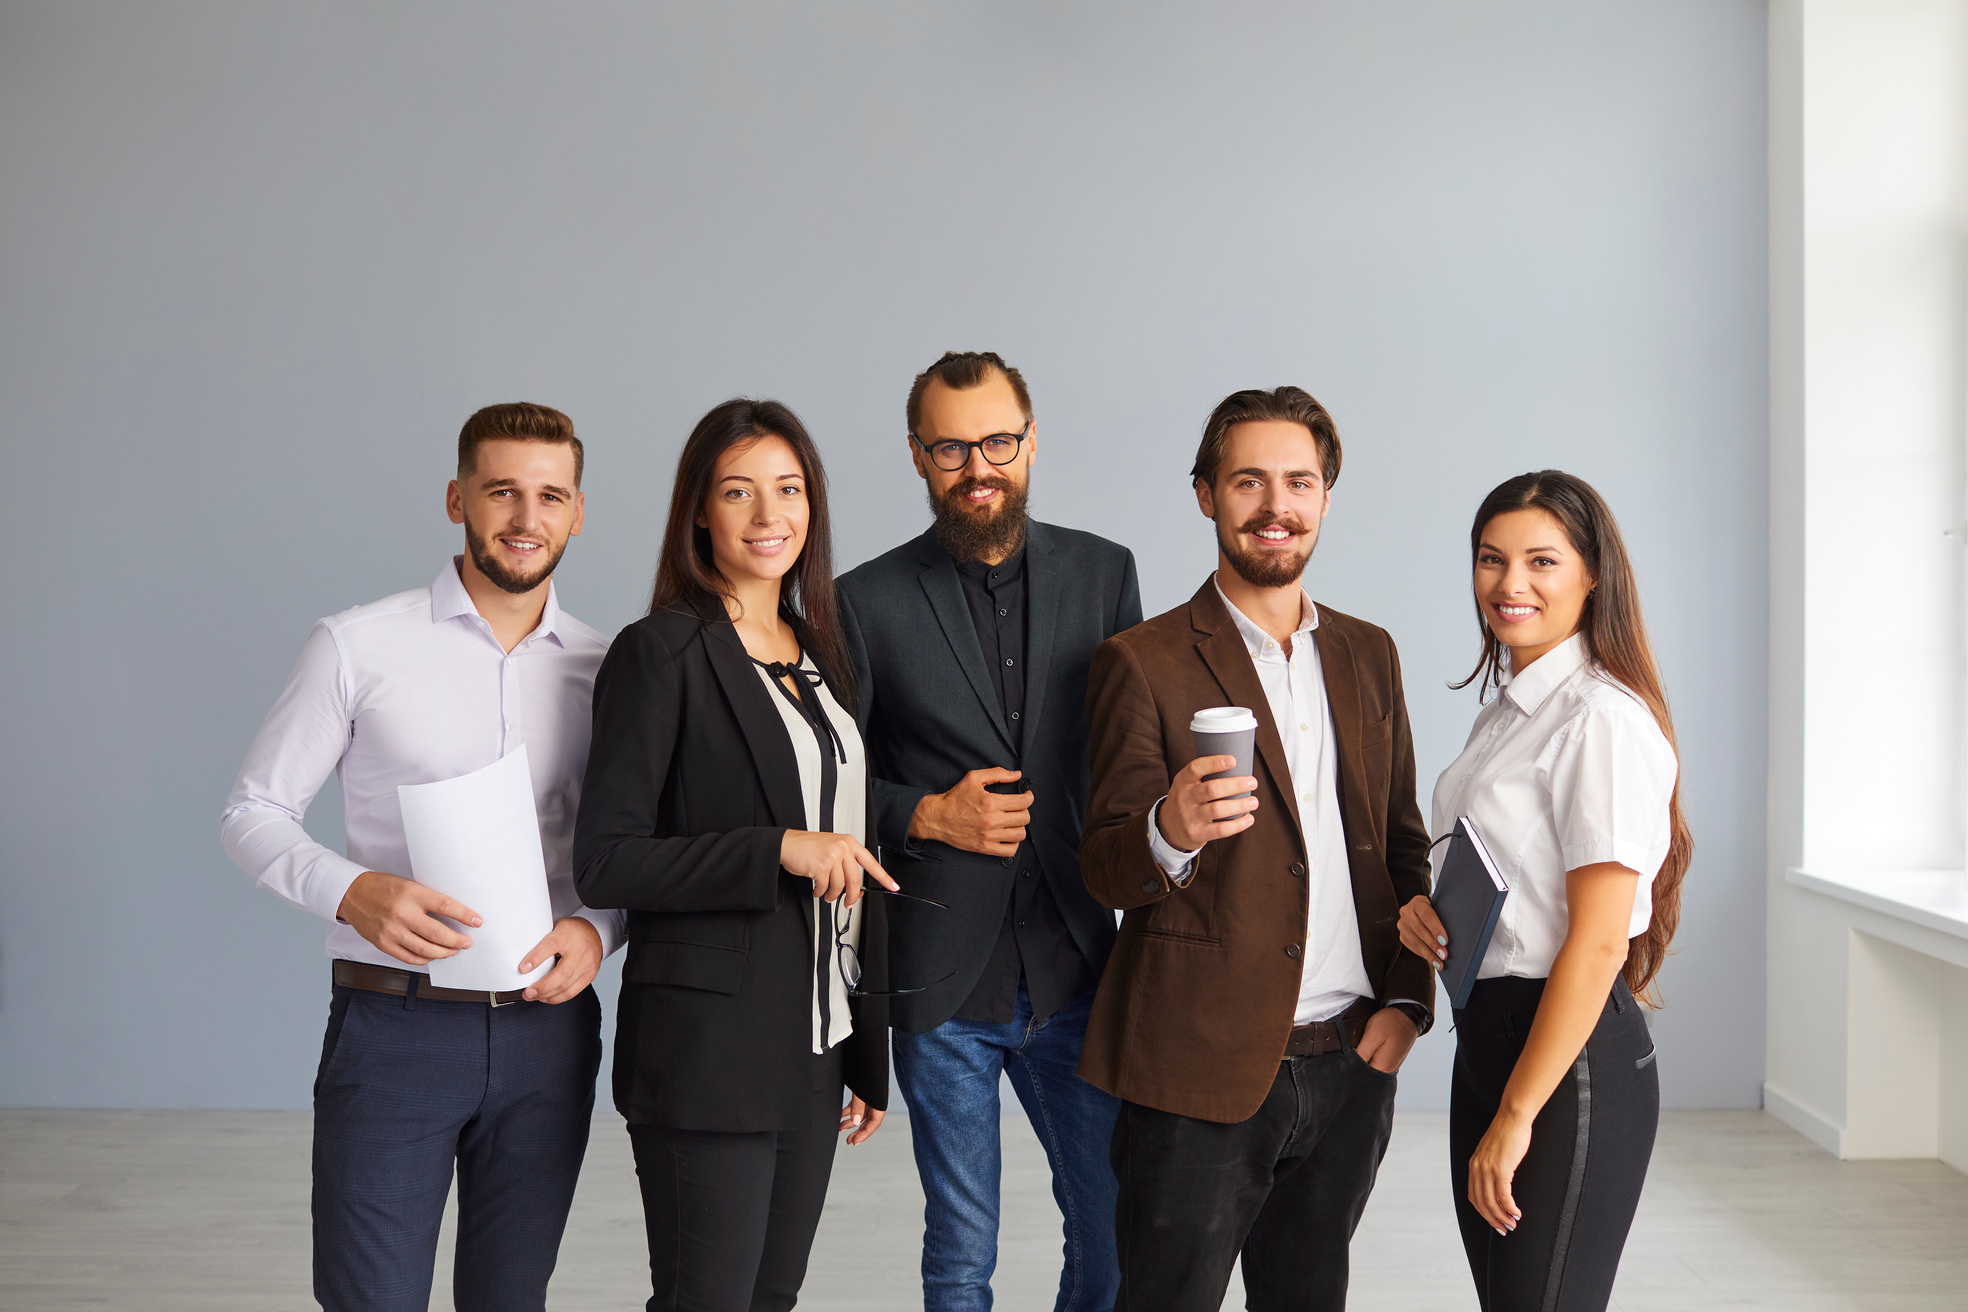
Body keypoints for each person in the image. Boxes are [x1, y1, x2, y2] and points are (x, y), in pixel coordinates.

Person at [220, 403, 623, 1312]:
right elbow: (254, 810)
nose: (527, 519)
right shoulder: (357, 645)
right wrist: (350, 890)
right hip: (394, 1029)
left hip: (548, 1036)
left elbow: (631, 853)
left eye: (550, 496)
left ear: (579, 512)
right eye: (502, 492)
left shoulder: (610, 669)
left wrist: (599, 931)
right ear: (457, 499)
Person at [1078, 386, 1436, 1312]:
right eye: (1248, 481)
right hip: (1197, 1066)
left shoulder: (1370, 653)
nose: (1275, 506)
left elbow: (1401, 844)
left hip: (1351, 1063)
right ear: (1206, 495)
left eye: (1299, 482)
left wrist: (1405, 1002)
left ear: (1324, 498)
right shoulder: (1141, 661)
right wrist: (1171, 829)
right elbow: (1104, 863)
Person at [573, 398, 897, 1312]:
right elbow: (608, 861)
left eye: (789, 491)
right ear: (699, 513)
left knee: (771, 1301)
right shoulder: (660, 653)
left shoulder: (825, 652)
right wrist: (776, 850)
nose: (769, 517)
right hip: (709, 1052)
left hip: (814, 1045)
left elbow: (855, 846)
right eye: (740, 492)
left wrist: (864, 1048)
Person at [838, 350, 1141, 1312]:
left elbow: (1130, 760)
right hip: (942, 978)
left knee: (1114, 1235)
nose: (979, 465)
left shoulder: (1105, 572)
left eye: (998, 441)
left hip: (1080, 966)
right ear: (920, 456)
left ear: (1032, 440)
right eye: (953, 447)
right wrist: (925, 812)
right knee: (962, 1252)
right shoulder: (863, 600)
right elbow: (831, 783)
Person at [1397, 471, 1689, 1312]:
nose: (1509, 584)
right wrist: (1430, 917)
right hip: (1488, 1037)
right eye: (1491, 560)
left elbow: (1599, 942)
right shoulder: (1509, 711)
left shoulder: (1600, 719)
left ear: (1592, 573)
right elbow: (1502, 876)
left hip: (1568, 1062)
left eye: (1540, 561)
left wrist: (1519, 1113)